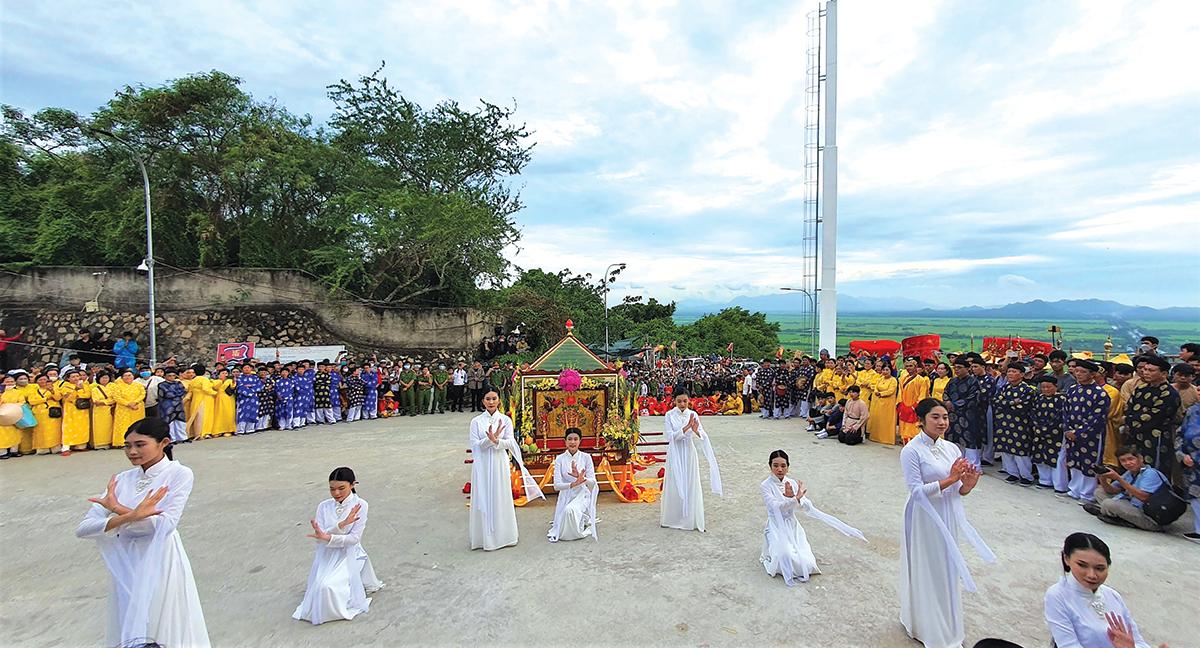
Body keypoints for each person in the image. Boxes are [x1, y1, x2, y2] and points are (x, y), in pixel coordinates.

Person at [75, 418, 210, 647]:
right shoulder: (121, 479)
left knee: (162, 617)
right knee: (130, 615)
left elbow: (165, 526)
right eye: (127, 446)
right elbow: (84, 528)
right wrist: (131, 516)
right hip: (126, 559)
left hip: (161, 556)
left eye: (140, 444)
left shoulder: (179, 474)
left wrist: (116, 511)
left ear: (163, 442)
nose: (132, 451)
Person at [899, 398, 993, 648]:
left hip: (947, 513)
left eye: (945, 417)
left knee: (947, 569)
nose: (942, 422)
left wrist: (967, 485)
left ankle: (949, 625)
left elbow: (958, 490)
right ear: (921, 420)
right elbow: (916, 491)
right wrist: (951, 479)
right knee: (929, 568)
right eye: (935, 417)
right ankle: (927, 626)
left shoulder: (952, 448)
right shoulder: (911, 450)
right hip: (924, 517)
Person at [760, 449, 866, 586]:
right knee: (784, 557)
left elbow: (805, 503)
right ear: (770, 466)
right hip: (776, 526)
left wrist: (799, 499)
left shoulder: (791, 482)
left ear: (788, 467)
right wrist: (793, 500)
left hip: (792, 525)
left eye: (783, 466)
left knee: (808, 564)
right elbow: (774, 506)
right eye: (775, 465)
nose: (779, 469)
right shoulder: (765, 486)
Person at [293, 466, 384, 625]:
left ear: (353, 484)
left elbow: (354, 539)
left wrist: (328, 536)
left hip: (349, 555)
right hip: (327, 555)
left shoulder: (361, 505)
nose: (336, 493)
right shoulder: (324, 506)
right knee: (318, 591)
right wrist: (341, 526)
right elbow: (320, 536)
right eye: (332, 489)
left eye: (341, 488)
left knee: (326, 588)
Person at [1044, 532, 1161, 648]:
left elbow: (1137, 641)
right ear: (1066, 559)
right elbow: (1068, 645)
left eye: (1099, 568)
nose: (1092, 575)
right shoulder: (1057, 596)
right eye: (1082, 565)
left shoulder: (1112, 596)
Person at [469, 387, 543, 550]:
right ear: (482, 401)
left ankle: (505, 536)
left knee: (500, 495)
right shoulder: (476, 422)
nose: (491, 402)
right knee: (484, 495)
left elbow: (511, 443)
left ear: (499, 400)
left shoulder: (505, 420)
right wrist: (489, 440)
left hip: (499, 463)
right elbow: (474, 446)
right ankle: (483, 538)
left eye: (494, 398)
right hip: (482, 464)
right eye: (488, 399)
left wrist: (496, 441)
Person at [660, 390, 722, 531]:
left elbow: (702, 434)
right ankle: (673, 517)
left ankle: (690, 517)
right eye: (679, 401)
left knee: (690, 482)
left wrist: (695, 431)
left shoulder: (693, 414)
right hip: (675, 452)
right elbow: (670, 436)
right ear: (674, 401)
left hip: (688, 452)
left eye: (685, 401)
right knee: (675, 482)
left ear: (689, 401)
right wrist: (686, 427)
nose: (682, 404)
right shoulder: (669, 415)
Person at [1083, 447, 1166, 532]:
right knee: (1099, 492)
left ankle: (1109, 512)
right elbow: (1112, 491)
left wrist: (1118, 478)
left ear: (1140, 458)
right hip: (1133, 506)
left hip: (1151, 518)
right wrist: (1102, 478)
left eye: (1131, 459)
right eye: (1123, 461)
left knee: (1108, 503)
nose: (1128, 463)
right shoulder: (1130, 473)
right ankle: (1109, 512)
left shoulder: (1150, 473)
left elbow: (1144, 497)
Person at [1062, 360, 1112, 502]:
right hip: (1071, 432)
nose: (1078, 374)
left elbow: (1097, 417)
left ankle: (1087, 493)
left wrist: (1078, 433)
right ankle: (1074, 489)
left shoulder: (1100, 394)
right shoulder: (1072, 390)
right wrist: (1067, 430)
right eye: (1077, 371)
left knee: (1088, 463)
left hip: (1091, 435)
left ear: (1093, 374)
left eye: (1083, 372)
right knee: (1074, 460)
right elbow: (1066, 411)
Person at [1124, 355, 1180, 474]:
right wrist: (1129, 421)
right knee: (1134, 468)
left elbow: (1155, 416)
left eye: (1151, 370)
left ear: (1164, 373)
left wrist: (1131, 421)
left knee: (1154, 469)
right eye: (1145, 369)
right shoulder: (1141, 389)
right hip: (1135, 436)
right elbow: (1128, 408)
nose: (1146, 373)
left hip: (1155, 437)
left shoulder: (1169, 393)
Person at [548, 428, 599, 542]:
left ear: (580, 441)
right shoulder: (559, 459)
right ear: (565, 441)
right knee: (566, 513)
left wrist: (581, 478)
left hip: (582, 495)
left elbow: (593, 483)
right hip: (565, 496)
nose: (572, 442)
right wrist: (572, 484)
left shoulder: (586, 457)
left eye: (575, 439)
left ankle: (581, 523)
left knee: (570, 511)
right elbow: (556, 486)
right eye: (569, 439)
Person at [993, 361, 1037, 485]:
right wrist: (1013, 403)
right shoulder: (1004, 387)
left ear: (1022, 374)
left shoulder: (1028, 390)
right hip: (1004, 423)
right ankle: (1013, 473)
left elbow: (1023, 407)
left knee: (1020, 451)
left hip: (1021, 424)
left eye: (1014, 371)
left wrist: (1006, 404)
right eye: (1009, 371)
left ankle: (1026, 476)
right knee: (1006, 449)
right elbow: (996, 402)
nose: (1010, 374)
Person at [1030, 376, 1066, 491]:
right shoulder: (1038, 398)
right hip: (1039, 432)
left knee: (1057, 459)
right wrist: (1037, 425)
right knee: (1040, 456)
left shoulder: (1062, 399)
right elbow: (1032, 412)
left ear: (1056, 387)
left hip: (1056, 434)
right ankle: (1044, 480)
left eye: (1048, 387)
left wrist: (1048, 428)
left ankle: (1059, 485)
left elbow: (1061, 416)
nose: (1045, 389)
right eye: (1043, 387)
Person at [1176, 402, 1200, 542]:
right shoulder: (1193, 410)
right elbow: (1180, 433)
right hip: (1190, 462)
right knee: (1195, 496)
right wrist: (1182, 455)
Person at [26, 372, 62, 454]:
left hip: (53, 412)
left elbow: (58, 397)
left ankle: (55, 447)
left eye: (45, 379)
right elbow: (32, 401)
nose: (43, 381)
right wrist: (45, 399)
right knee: (40, 431)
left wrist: (52, 391)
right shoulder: (33, 391)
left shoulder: (54, 388)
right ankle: (42, 448)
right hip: (39, 414)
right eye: (40, 379)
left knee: (55, 429)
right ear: (37, 381)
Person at [897, 357, 931, 444]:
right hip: (904, 407)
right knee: (904, 429)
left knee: (914, 430)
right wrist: (901, 404)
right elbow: (900, 392)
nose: (908, 368)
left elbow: (922, 396)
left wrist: (913, 407)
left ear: (915, 367)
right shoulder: (903, 378)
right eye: (907, 366)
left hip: (914, 409)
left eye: (911, 366)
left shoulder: (921, 380)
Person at [111, 368, 147, 449]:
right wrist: (128, 404)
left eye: (130, 375)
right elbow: (117, 397)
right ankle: (123, 442)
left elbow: (142, 394)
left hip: (137, 407)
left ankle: (139, 441)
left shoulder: (138, 385)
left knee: (137, 425)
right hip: (123, 408)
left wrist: (135, 402)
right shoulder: (117, 386)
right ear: (122, 377)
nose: (128, 377)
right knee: (124, 425)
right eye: (125, 376)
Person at [59, 368, 92, 456]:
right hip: (70, 410)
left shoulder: (85, 384)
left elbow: (87, 395)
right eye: (73, 377)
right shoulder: (65, 386)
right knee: (69, 428)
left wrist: (77, 394)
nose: (76, 378)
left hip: (82, 409)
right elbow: (68, 397)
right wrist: (76, 390)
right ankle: (66, 447)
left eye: (77, 376)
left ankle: (80, 446)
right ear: (68, 378)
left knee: (82, 426)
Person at [867, 361, 899, 445]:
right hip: (879, 401)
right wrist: (877, 391)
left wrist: (881, 393)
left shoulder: (893, 380)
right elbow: (876, 387)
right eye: (883, 370)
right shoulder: (880, 378)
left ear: (891, 371)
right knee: (878, 419)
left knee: (886, 420)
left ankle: (887, 439)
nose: (885, 372)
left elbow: (891, 391)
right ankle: (875, 437)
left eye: (887, 370)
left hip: (888, 403)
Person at [158, 368, 188, 443]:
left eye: (173, 376)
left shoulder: (178, 383)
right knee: (169, 422)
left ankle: (182, 437)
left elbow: (183, 391)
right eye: (169, 376)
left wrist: (175, 394)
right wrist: (177, 394)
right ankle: (172, 439)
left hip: (178, 405)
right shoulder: (161, 385)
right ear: (165, 376)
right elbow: (167, 394)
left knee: (180, 421)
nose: (172, 377)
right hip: (167, 406)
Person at [90, 371, 116, 450]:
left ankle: (111, 442)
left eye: (106, 377)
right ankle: (100, 444)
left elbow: (115, 398)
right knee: (100, 427)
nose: (105, 379)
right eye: (103, 378)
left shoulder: (113, 386)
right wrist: (108, 401)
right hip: (99, 411)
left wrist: (104, 402)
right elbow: (96, 401)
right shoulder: (95, 389)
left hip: (110, 409)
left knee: (111, 426)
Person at [235, 363, 262, 434]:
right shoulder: (239, 378)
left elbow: (259, 386)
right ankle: (241, 430)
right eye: (245, 368)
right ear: (242, 369)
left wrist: (251, 389)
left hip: (254, 398)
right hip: (243, 398)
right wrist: (248, 391)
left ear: (251, 369)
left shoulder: (255, 377)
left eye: (248, 367)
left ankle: (250, 429)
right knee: (242, 413)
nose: (247, 369)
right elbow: (240, 387)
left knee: (253, 413)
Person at [212, 367, 236, 436]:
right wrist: (220, 381)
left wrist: (233, 380)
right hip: (218, 398)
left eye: (226, 373)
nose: (225, 374)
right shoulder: (216, 381)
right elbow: (214, 387)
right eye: (223, 373)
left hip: (228, 399)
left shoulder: (229, 381)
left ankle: (228, 430)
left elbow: (232, 387)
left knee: (228, 413)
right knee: (218, 414)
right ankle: (218, 430)